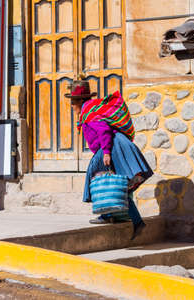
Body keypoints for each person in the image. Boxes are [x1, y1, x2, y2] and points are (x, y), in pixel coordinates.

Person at [65, 80, 153, 240]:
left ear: (80, 101)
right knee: (116, 184)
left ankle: (109, 215)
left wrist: (106, 153)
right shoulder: (90, 109)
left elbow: (104, 130)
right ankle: (131, 220)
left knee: (95, 175)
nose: (71, 105)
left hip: (111, 148)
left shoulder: (89, 112)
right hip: (114, 146)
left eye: (72, 101)